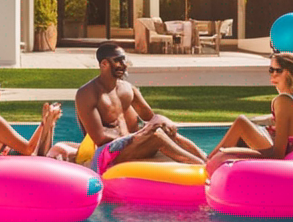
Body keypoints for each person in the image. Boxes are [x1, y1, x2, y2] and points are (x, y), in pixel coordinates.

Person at [74, 42, 206, 176]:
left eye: (124, 60)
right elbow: (100, 137)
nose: (123, 65)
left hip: (132, 144)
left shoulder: (127, 88)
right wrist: (139, 136)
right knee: (157, 137)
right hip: (108, 153)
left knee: (166, 130)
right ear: (104, 64)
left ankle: (207, 160)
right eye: (118, 61)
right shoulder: (88, 93)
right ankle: (203, 168)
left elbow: (150, 118)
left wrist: (164, 122)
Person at [206, 51, 293, 174]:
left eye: (278, 71)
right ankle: (210, 159)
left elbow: (278, 155)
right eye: (271, 70)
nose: (273, 75)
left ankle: (209, 160)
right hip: (290, 152)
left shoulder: (283, 101)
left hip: (279, 159)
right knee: (249, 128)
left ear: (290, 73)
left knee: (241, 123)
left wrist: (234, 155)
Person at [0, 65, 76, 159]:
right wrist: (44, 123)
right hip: (7, 180)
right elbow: (29, 149)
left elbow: (32, 153)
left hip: (6, 174)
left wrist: (47, 123)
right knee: (61, 150)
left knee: (61, 149)